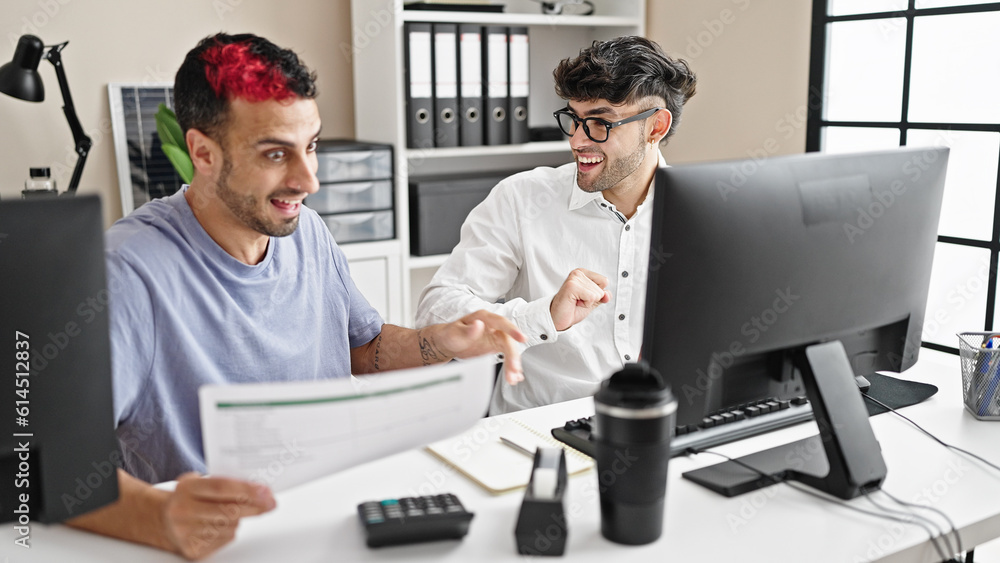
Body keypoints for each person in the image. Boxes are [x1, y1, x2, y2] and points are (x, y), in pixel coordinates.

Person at [66, 33, 526, 560]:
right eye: (276, 154)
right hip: (216, 545)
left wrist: (441, 342)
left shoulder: (305, 231)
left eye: (311, 146)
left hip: (331, 519)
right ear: (203, 153)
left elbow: (364, 350)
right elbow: (39, 463)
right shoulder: (127, 273)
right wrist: (158, 516)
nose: (309, 180)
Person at [416, 36, 696, 415]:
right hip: (538, 428)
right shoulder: (522, 198)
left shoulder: (700, 216)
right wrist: (541, 316)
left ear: (655, 127)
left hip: (661, 423)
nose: (578, 140)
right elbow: (436, 309)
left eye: (600, 122)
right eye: (574, 119)